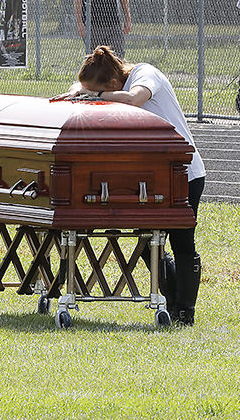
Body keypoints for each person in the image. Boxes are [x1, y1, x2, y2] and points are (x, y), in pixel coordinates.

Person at [54, 46, 206, 325]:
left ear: (112, 84)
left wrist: (94, 95)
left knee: (182, 242)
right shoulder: (110, 82)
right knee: (147, 239)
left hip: (186, 171)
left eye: (101, 90)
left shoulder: (146, 74)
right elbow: (85, 85)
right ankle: (173, 301)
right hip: (152, 172)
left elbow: (134, 99)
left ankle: (186, 312)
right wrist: (78, 91)